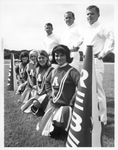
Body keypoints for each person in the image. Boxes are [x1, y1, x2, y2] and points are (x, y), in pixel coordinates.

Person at [36, 44, 80, 137]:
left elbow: (81, 87)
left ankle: (63, 123)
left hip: (65, 106)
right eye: (56, 55)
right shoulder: (54, 71)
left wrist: (72, 101)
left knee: (58, 128)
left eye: (62, 55)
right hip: (53, 105)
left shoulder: (72, 71)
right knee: (44, 128)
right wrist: (49, 94)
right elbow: (47, 83)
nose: (59, 58)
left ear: (67, 56)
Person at [82, 5, 114, 126]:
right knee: (87, 90)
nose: (89, 16)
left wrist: (103, 53)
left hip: (96, 61)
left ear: (98, 15)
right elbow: (81, 40)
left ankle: (103, 118)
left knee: (99, 90)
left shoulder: (102, 27)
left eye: (92, 14)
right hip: (86, 62)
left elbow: (111, 40)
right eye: (87, 14)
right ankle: (91, 114)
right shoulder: (87, 29)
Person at [21, 50, 53, 116]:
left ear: (47, 58)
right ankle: (39, 106)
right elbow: (35, 81)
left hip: (47, 94)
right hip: (38, 93)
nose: (41, 59)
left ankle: (43, 107)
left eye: (43, 57)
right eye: (39, 58)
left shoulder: (51, 69)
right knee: (23, 108)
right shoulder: (37, 69)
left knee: (35, 103)